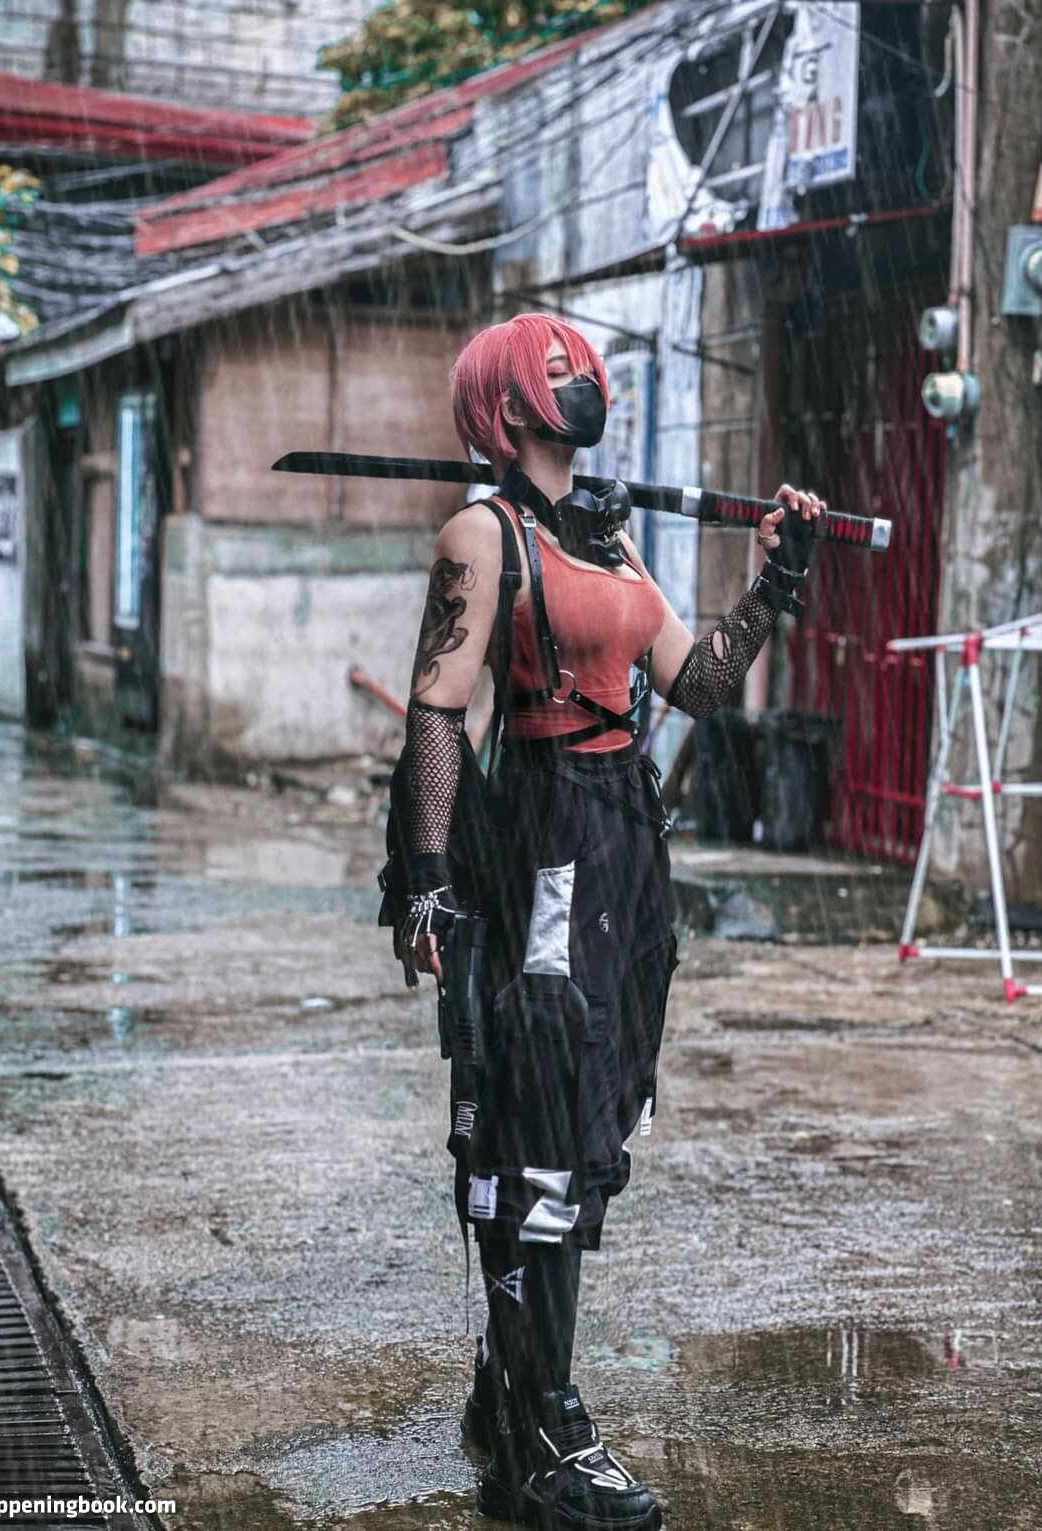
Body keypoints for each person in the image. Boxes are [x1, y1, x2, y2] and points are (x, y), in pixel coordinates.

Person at [396, 313, 823, 1530]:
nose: (577, 373)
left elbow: (701, 682)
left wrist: (773, 578)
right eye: (553, 367)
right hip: (542, 839)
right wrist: (426, 874)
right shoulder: (483, 535)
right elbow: (436, 711)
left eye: (578, 362)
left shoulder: (611, 537)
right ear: (506, 405)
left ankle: (505, 1398)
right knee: (534, 1117)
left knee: (591, 1114)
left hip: (624, 841)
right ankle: (546, 1434)